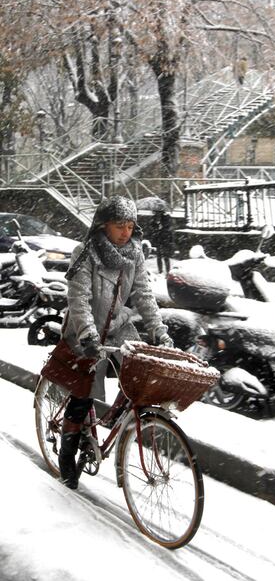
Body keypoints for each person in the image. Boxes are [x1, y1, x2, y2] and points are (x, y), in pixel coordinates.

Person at [58, 195, 173, 490]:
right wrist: (87, 334)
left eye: (130, 225)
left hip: (118, 326)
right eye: (119, 225)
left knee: (142, 372)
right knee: (83, 393)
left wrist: (159, 331)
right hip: (85, 330)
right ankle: (67, 453)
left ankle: (120, 420)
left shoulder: (134, 254)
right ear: (103, 225)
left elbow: (144, 296)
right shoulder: (84, 252)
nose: (126, 232)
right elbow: (78, 298)